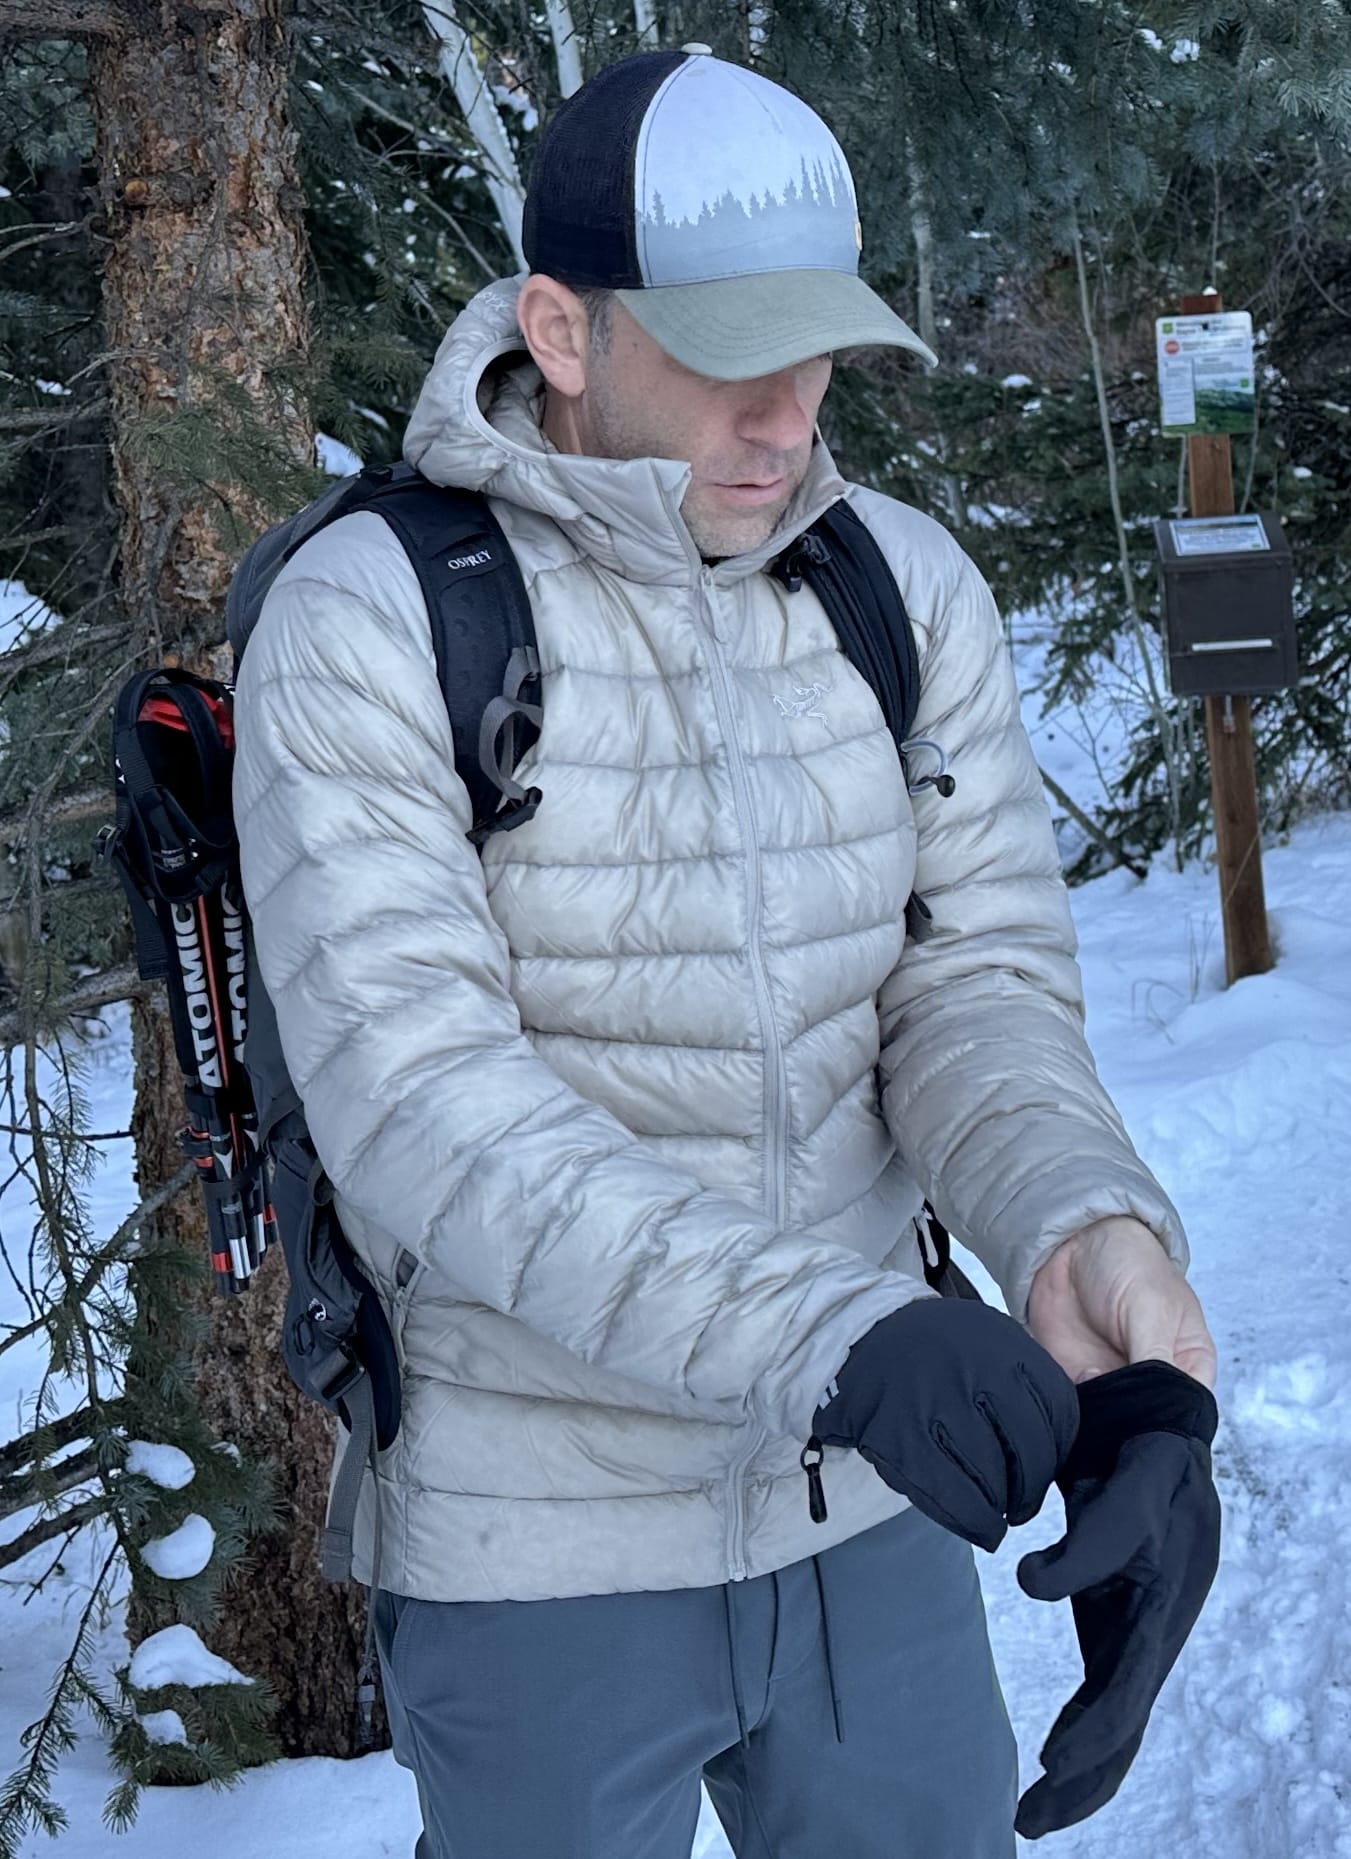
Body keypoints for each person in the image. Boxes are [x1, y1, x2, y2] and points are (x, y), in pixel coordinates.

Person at [233, 45, 1217, 1859]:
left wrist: (1090, 1248)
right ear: (563, 328)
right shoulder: (377, 613)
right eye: (725, 359)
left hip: (863, 1512)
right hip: (542, 1538)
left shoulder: (894, 588)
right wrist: (839, 1336)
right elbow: (424, 1110)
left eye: (819, 353)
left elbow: (970, 989)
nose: (790, 420)